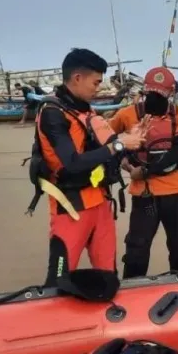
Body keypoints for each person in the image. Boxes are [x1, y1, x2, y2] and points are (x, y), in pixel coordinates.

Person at [27, 48, 146, 287]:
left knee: (108, 276)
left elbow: (109, 149)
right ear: (77, 78)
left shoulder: (86, 111)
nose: (99, 87)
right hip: (71, 208)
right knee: (58, 279)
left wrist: (130, 138)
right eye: (96, 82)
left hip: (101, 204)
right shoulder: (52, 113)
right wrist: (121, 144)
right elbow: (71, 163)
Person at [109, 67, 178, 278]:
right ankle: (132, 291)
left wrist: (145, 171)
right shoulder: (127, 114)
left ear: (171, 93)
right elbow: (106, 140)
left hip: (173, 192)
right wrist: (124, 161)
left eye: (160, 95)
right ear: (144, 91)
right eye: (151, 94)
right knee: (137, 250)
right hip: (144, 196)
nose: (155, 99)